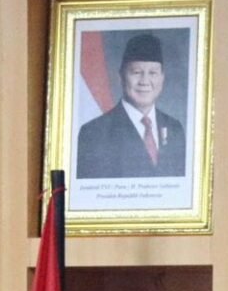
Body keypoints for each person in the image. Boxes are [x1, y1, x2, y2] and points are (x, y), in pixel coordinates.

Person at [76, 32, 187, 180]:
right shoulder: (94, 133)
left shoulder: (175, 129)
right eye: (136, 72)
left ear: (162, 78)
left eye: (153, 73)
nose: (145, 81)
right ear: (121, 76)